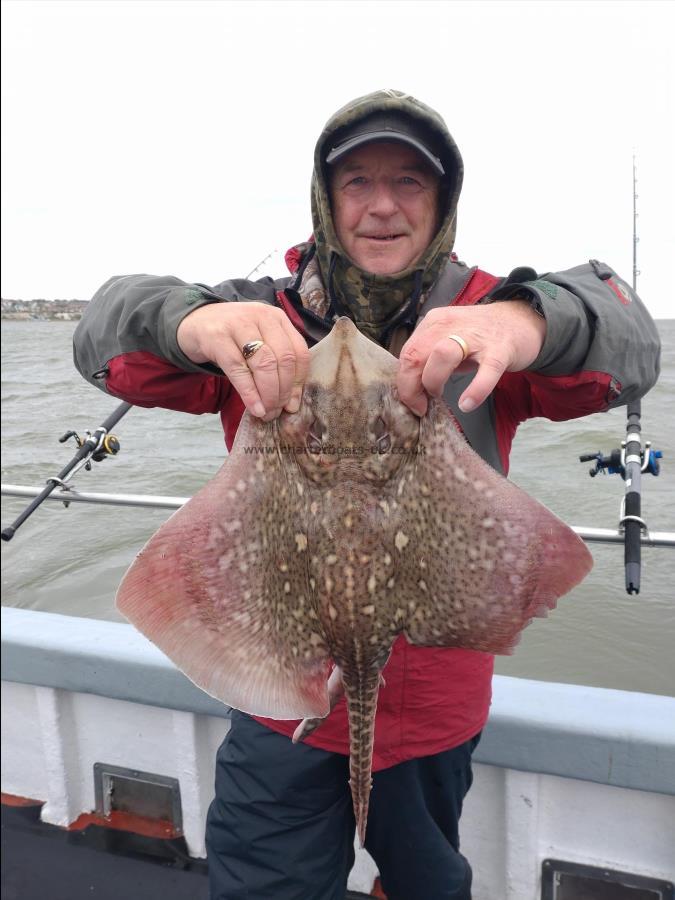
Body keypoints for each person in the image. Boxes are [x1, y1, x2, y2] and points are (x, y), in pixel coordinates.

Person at [74, 89, 661, 900]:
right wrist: (188, 323)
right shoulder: (253, 316)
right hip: (281, 701)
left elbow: (630, 344)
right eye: (356, 182)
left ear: (442, 200)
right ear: (325, 200)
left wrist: (524, 324)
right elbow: (103, 333)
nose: (382, 205)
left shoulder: (488, 315)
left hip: (434, 713)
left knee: (425, 883)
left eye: (409, 183)